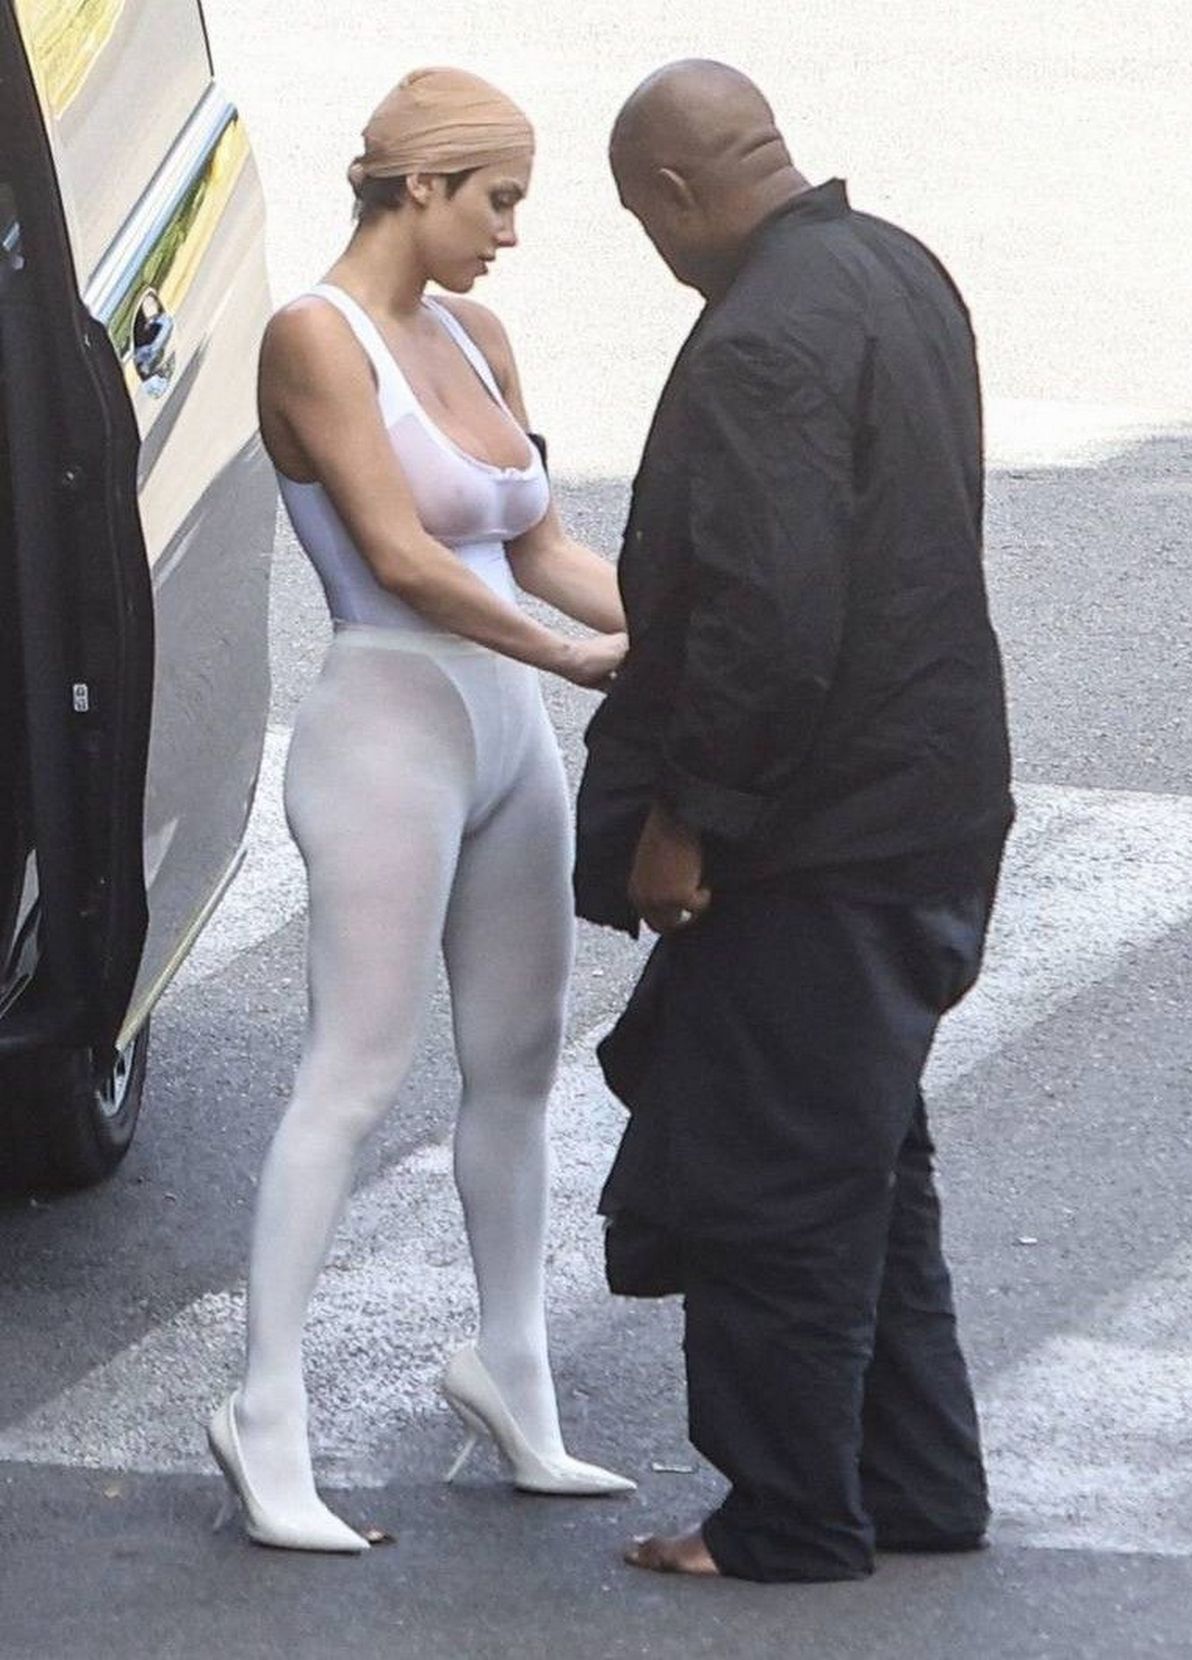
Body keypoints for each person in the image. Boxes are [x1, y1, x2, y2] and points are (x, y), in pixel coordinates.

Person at [573, 61, 1014, 1583]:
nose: (655, 249)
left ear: (676, 191)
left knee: (774, 1187)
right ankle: (916, 1484)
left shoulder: (762, 336)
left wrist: (690, 818)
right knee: (866, 1162)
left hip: (820, 839)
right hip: (932, 806)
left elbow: (770, 614)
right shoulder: (895, 266)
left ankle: (790, 1519)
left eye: (643, 221)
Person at [207, 66, 635, 1554]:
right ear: (418, 186)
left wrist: (680, 632)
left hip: (508, 735)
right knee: (356, 1072)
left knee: (516, 1067)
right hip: (388, 727)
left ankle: (512, 1377)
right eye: (496, 200)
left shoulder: (476, 332)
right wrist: (573, 657)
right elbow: (399, 556)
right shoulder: (313, 338)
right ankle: (265, 1410)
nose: (510, 232)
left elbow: (547, 543)